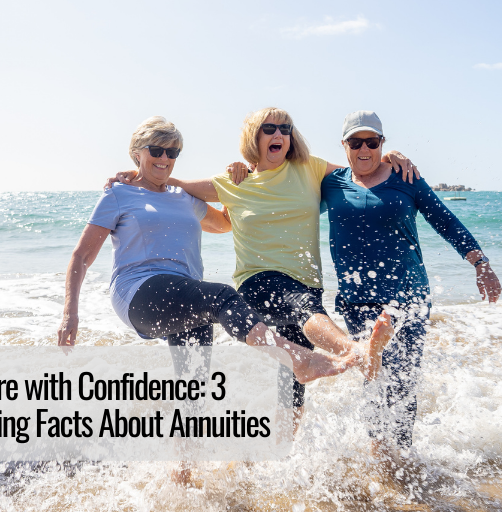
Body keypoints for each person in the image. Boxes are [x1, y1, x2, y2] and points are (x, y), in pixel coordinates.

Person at [111, 108, 418, 435]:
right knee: (304, 310)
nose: (278, 135)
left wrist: (388, 158)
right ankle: (355, 352)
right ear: (253, 138)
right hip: (259, 286)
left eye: (284, 129)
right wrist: (134, 174)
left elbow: (362, 173)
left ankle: (277, 452)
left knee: (294, 382)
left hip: (306, 285)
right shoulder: (235, 181)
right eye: (268, 128)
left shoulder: (310, 169)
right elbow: (172, 182)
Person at [57, 116, 370, 396]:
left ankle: (184, 463)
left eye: (173, 152)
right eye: (157, 150)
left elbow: (224, 223)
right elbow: (81, 256)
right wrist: (70, 313)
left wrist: (243, 178)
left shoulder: (183, 198)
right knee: (221, 296)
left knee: (193, 389)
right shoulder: (118, 194)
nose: (165, 158)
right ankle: (299, 360)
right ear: (137, 153)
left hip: (186, 296)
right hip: (139, 292)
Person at [321, 111, 502, 461]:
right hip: (357, 299)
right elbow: (285, 188)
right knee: (375, 375)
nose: (364, 149)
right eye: (355, 142)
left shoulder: (406, 177)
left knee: (402, 380)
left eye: (372, 142)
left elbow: (444, 220)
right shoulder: (331, 182)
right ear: (343, 146)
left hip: (408, 296)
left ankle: (400, 456)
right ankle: (380, 453)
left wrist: (481, 263)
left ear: (382, 144)